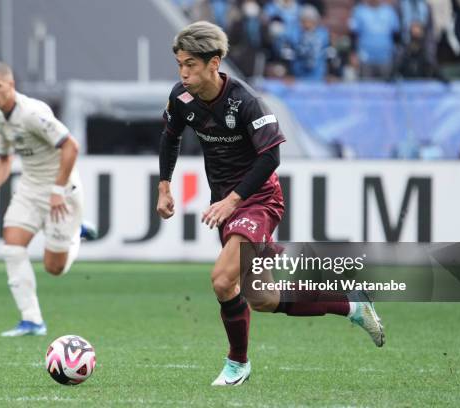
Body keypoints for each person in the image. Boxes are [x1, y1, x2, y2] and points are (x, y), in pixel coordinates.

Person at [157, 21, 385, 386]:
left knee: (221, 281)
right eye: (180, 64)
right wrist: (165, 186)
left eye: (191, 65)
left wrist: (233, 201)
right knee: (261, 297)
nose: (183, 73)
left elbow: (271, 158)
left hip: (259, 199)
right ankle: (352, 304)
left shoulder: (245, 101)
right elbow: (170, 138)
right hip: (227, 203)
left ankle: (237, 365)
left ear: (214, 63)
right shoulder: (181, 98)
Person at [0, 61, 95, 337]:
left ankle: (76, 234)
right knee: (12, 247)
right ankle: (32, 321)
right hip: (30, 189)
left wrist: (57, 189)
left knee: (54, 268)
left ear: (11, 85)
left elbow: (71, 146)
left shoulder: (32, 113)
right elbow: (5, 158)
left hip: (61, 191)